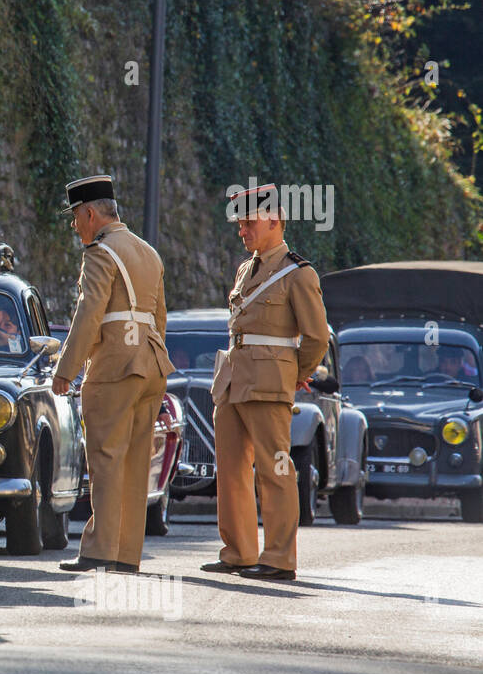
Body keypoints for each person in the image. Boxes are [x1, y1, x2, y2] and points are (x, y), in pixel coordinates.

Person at [203, 184, 328, 581]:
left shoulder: (298, 273)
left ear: (275, 220)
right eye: (240, 223)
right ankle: (238, 551)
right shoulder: (246, 268)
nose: (242, 230)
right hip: (233, 381)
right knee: (231, 469)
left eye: (249, 222)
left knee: (275, 470)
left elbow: (317, 337)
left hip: (269, 383)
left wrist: (295, 375)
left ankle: (278, 557)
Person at [51, 175, 175, 573]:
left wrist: (65, 370)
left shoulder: (100, 252)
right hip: (152, 364)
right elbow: (160, 319)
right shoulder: (149, 252)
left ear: (90, 213)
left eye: (75, 217)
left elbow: (89, 315)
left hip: (115, 366)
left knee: (104, 457)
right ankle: (126, 553)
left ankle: (100, 550)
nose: (74, 226)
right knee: (136, 461)